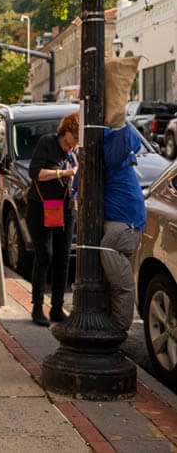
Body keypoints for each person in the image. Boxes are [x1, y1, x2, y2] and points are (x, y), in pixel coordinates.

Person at [26, 111, 79, 326]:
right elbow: (35, 173)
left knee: (63, 258)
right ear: (66, 132)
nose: (75, 143)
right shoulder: (47, 143)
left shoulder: (74, 152)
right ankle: (37, 307)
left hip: (65, 209)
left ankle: (57, 308)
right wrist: (64, 174)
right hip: (40, 207)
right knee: (45, 255)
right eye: (74, 138)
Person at [100, 121, 146, 331]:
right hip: (129, 223)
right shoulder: (118, 148)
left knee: (120, 284)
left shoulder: (110, 143)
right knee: (116, 282)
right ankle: (116, 326)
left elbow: (126, 134)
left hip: (123, 224)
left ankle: (118, 330)